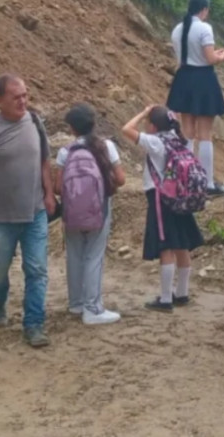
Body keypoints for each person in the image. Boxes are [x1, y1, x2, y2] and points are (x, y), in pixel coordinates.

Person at [0, 74, 55, 348]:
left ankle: (34, 325)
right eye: (16, 97)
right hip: (0, 218)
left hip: (35, 213)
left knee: (37, 269)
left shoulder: (35, 122)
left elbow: (43, 162)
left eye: (25, 95)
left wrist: (50, 193)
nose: (23, 101)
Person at [122, 104, 205, 313]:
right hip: (181, 197)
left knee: (165, 245)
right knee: (181, 244)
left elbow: (126, 129)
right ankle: (182, 293)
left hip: (160, 196)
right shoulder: (180, 140)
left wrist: (142, 113)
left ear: (152, 126)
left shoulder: (156, 141)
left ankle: (166, 298)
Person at [53, 103, 126, 326]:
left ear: (72, 129)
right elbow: (121, 179)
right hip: (100, 208)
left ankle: (76, 303)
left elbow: (58, 186)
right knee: (94, 255)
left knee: (74, 254)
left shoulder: (66, 151)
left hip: (71, 210)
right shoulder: (106, 147)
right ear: (94, 124)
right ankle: (93, 309)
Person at [166, 0, 224, 195]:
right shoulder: (204, 28)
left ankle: (185, 178)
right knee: (205, 134)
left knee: (187, 132)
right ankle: (207, 183)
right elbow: (210, 59)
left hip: (184, 78)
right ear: (204, 9)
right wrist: (223, 55)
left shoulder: (178, 28)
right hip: (203, 80)